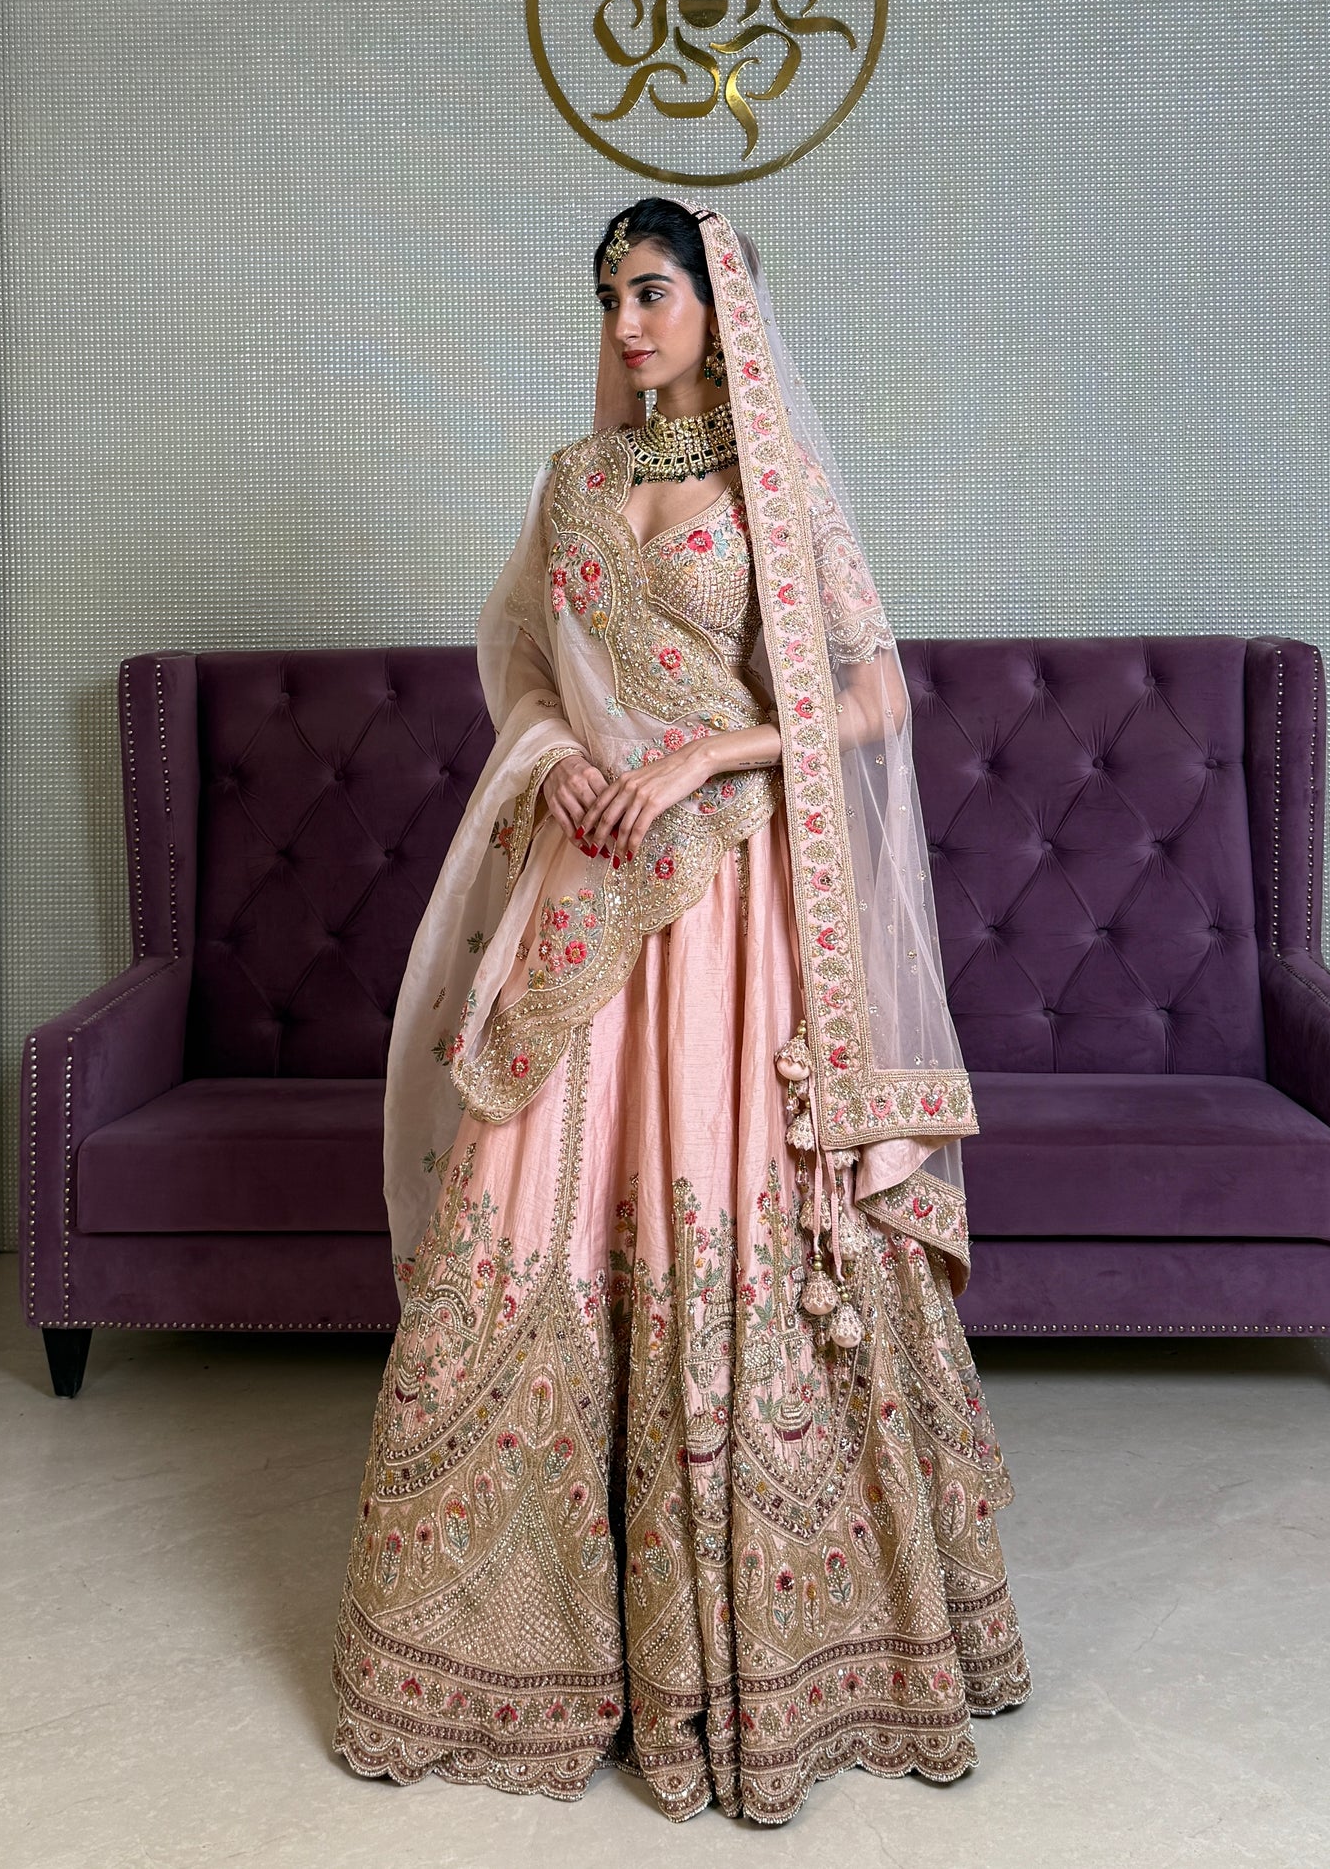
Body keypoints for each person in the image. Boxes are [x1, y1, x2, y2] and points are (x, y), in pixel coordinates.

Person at [333, 198, 1028, 1823]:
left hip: (731, 900)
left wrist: (714, 749)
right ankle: (515, 1641)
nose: (626, 322)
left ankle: (777, 1651)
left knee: (726, 1198)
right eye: (608, 296)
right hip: (587, 887)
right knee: (532, 1213)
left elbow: (875, 691)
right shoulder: (573, 482)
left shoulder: (774, 492)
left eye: (651, 290)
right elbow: (519, 663)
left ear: (721, 307)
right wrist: (555, 759)